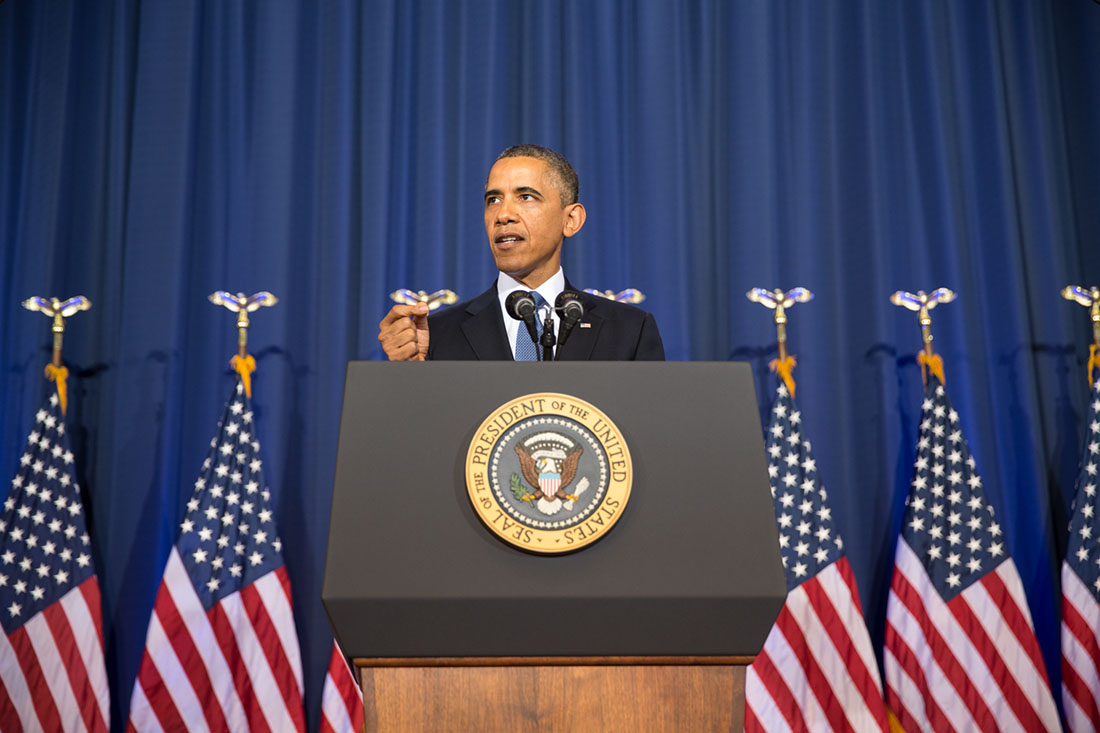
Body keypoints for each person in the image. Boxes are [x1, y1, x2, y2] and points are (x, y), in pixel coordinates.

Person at [377, 144, 664, 361]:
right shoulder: (436, 335)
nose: (503, 215)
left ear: (571, 220)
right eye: (494, 199)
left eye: (526, 197)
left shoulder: (629, 331)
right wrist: (408, 374)